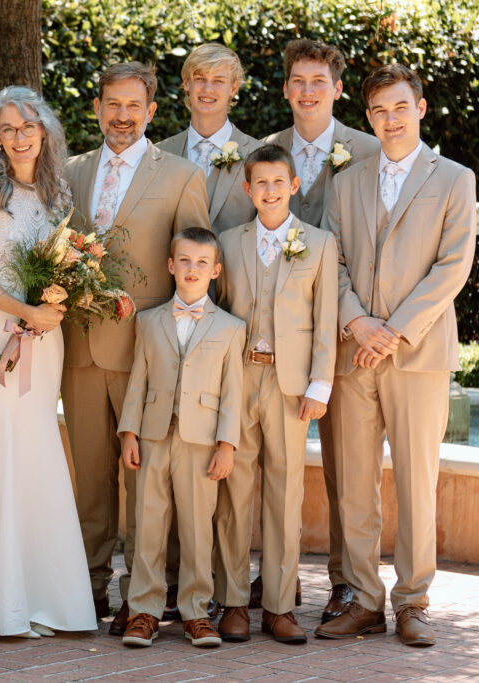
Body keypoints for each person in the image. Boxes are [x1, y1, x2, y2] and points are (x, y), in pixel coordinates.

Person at [315, 64, 476, 647]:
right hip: (355, 353)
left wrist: (395, 330)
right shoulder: (347, 182)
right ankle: (363, 600)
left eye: (401, 107)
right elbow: (330, 260)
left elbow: (453, 265)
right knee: (355, 484)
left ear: (421, 109)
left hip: (418, 353)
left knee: (416, 481)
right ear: (368, 117)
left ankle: (413, 602)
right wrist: (358, 323)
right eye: (380, 111)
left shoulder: (454, 178)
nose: (391, 119)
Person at [61, 61, 210, 634]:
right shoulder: (70, 172)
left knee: (145, 482)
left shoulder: (181, 175)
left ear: (151, 111)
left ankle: (145, 593)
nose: (122, 116)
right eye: (112, 105)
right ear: (96, 108)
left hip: (148, 355)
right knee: (90, 478)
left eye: (133, 106)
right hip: (79, 347)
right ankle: (88, 585)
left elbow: (193, 269)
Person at [0, 85, 97, 638]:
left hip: (45, 340)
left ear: (45, 132)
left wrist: (56, 304)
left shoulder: (59, 193)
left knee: (36, 446)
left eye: (28, 127)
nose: (19, 138)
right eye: (8, 129)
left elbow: (66, 266)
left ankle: (41, 597)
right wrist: (26, 312)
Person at [263, 39, 381, 622]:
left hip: (344, 328)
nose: (307, 91)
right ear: (286, 89)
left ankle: (348, 584)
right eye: (298, 81)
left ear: (336, 89)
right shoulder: (264, 150)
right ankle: (274, 577)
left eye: (319, 81)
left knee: (347, 467)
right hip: (277, 335)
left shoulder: (370, 150)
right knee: (269, 462)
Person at [213, 144, 338, 644]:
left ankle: (280, 606)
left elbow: (325, 318)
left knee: (286, 495)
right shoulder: (228, 242)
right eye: (260, 183)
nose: (269, 191)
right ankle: (233, 602)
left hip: (291, 386)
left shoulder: (319, 244)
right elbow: (218, 311)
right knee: (234, 493)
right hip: (239, 380)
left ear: (294, 186)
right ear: (248, 189)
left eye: (278, 182)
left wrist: (320, 383)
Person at [118, 228, 244, 649]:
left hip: (201, 441)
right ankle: (144, 611)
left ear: (216, 271)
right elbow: (138, 381)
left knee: (196, 530)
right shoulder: (148, 321)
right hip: (153, 436)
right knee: (148, 525)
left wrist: (226, 444)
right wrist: (129, 433)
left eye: (202, 263)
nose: (193, 269)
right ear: (171, 265)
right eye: (185, 261)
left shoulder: (231, 328)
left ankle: (196, 612)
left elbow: (233, 392)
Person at [158, 43, 261, 234]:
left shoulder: (257, 154)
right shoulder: (159, 155)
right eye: (200, 79)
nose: (207, 88)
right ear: (186, 84)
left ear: (234, 88)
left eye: (218, 81)